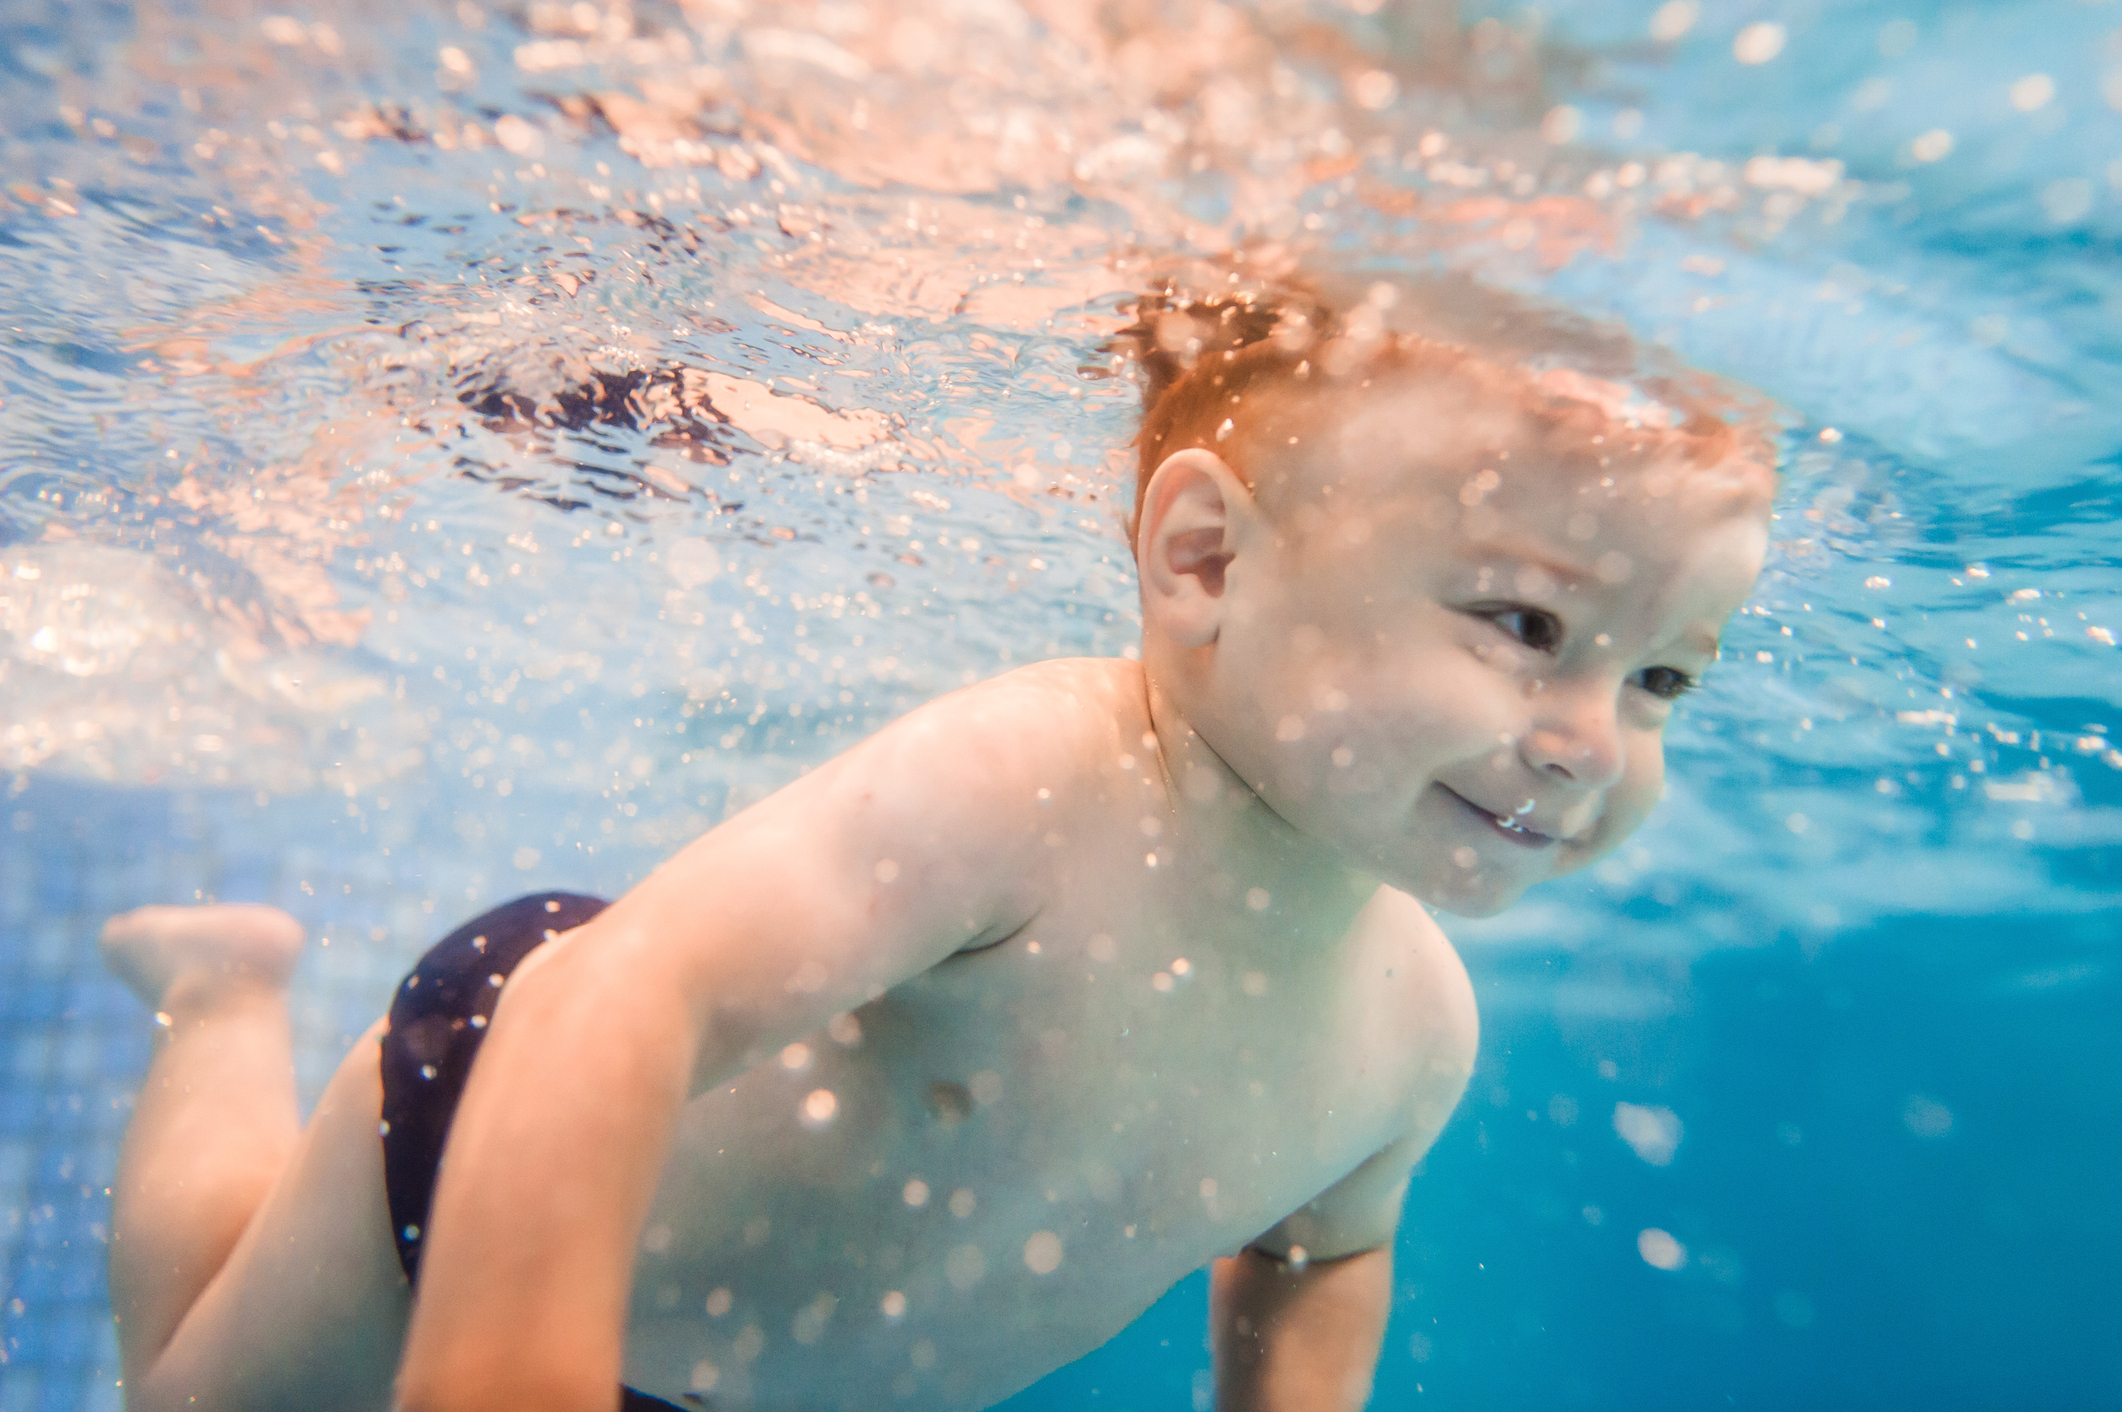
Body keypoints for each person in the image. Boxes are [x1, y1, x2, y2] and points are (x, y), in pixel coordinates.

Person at [97, 259, 1774, 1412]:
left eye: (1662, 679)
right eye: (1527, 627)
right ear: (1204, 561)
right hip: (501, 1168)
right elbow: (614, 996)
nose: (1590, 743)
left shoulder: (1415, 1031)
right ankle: (222, 996)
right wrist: (505, 1373)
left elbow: (1321, 1251)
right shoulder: (1035, 781)